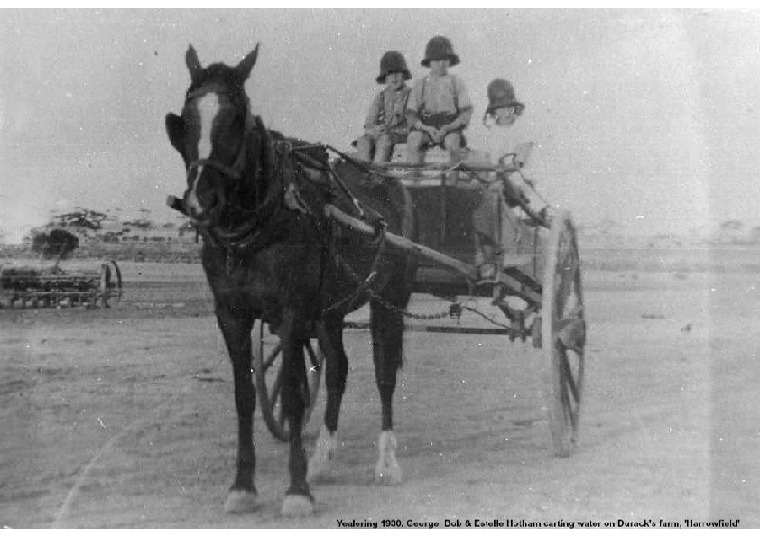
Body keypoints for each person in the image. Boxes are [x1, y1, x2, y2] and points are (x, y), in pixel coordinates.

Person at [405, 36, 473, 164]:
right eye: (436, 60)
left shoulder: (456, 82)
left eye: (444, 59)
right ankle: (412, 179)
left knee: (453, 143)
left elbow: (466, 112)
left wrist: (449, 127)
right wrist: (425, 128)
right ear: (429, 61)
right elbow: (411, 115)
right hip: (426, 127)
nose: (441, 64)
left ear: (449, 61)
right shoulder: (421, 84)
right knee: (413, 139)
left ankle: (453, 181)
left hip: (449, 126)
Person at [356, 51, 413, 163]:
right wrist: (373, 130)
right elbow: (369, 122)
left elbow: (413, 123)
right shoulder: (381, 97)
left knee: (384, 141)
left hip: (400, 135)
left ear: (403, 75)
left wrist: (392, 131)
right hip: (382, 134)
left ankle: (378, 175)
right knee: (362, 141)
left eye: (397, 73)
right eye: (390, 74)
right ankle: (365, 173)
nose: (394, 77)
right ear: (385, 78)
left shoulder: (411, 95)